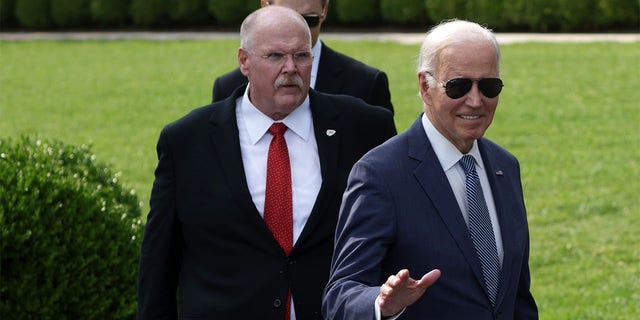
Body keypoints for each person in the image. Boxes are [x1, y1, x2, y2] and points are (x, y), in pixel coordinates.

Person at [137, 5, 396, 320]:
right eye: (275, 56)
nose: (290, 68)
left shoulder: (364, 127)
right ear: (244, 61)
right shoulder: (186, 141)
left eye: (301, 56)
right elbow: (158, 261)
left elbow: (392, 233)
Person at [322, 19, 538, 319]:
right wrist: (381, 303)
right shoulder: (380, 174)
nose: (475, 101)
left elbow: (516, 297)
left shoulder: (505, 166)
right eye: (459, 86)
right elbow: (340, 295)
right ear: (425, 86)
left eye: (488, 86)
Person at [211, 0, 394, 114]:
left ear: (325, 10)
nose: (297, 28)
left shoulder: (366, 84)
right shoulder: (229, 87)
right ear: (265, 6)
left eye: (309, 19)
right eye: (286, 17)